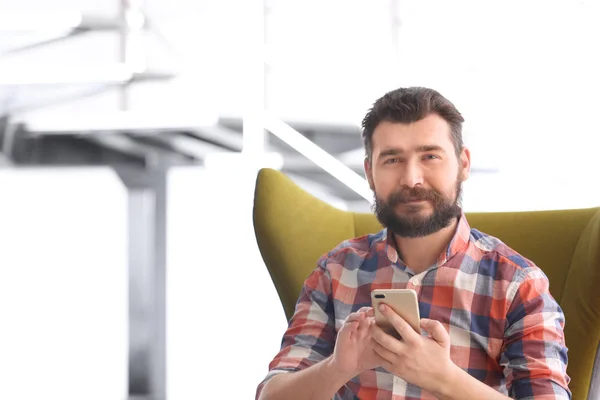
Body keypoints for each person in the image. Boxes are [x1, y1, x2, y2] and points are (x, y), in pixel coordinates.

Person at [256, 87, 571, 400]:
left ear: (463, 164)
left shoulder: (518, 285)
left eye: (430, 156)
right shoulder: (335, 271)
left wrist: (444, 379)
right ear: (369, 173)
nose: (411, 178)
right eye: (392, 159)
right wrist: (337, 368)